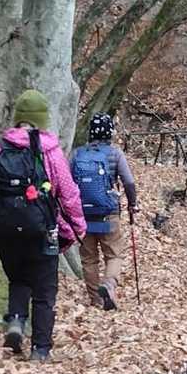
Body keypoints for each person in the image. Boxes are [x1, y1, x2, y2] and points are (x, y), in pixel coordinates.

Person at [0, 89, 86, 359]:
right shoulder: (51, 152)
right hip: (42, 231)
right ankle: (40, 349)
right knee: (44, 290)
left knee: (18, 279)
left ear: (18, 117)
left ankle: (16, 322)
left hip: (6, 231)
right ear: (42, 119)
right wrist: (77, 228)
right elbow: (68, 194)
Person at [69, 113, 138, 311]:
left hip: (83, 215)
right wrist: (133, 203)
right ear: (110, 132)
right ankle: (109, 285)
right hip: (108, 213)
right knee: (114, 254)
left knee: (89, 259)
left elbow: (67, 183)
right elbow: (128, 182)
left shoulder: (76, 154)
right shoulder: (115, 154)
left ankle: (96, 301)